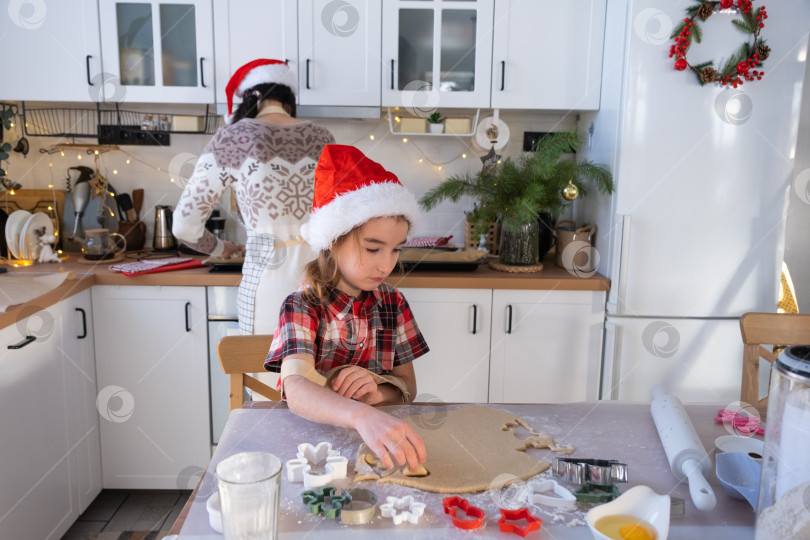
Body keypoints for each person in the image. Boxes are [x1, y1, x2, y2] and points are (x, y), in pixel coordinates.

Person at [265, 145, 430, 472]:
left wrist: (378, 392)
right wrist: (359, 415)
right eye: (372, 248)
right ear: (333, 239)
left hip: (378, 449)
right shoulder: (302, 305)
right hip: (312, 454)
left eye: (396, 250)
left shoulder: (392, 304)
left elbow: (408, 386)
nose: (386, 264)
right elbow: (296, 390)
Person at [173, 59, 335, 335]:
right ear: (289, 99)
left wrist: (220, 249)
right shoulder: (323, 137)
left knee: (266, 376)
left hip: (266, 285)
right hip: (323, 282)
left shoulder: (232, 138)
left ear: (251, 98)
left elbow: (184, 227)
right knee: (317, 376)